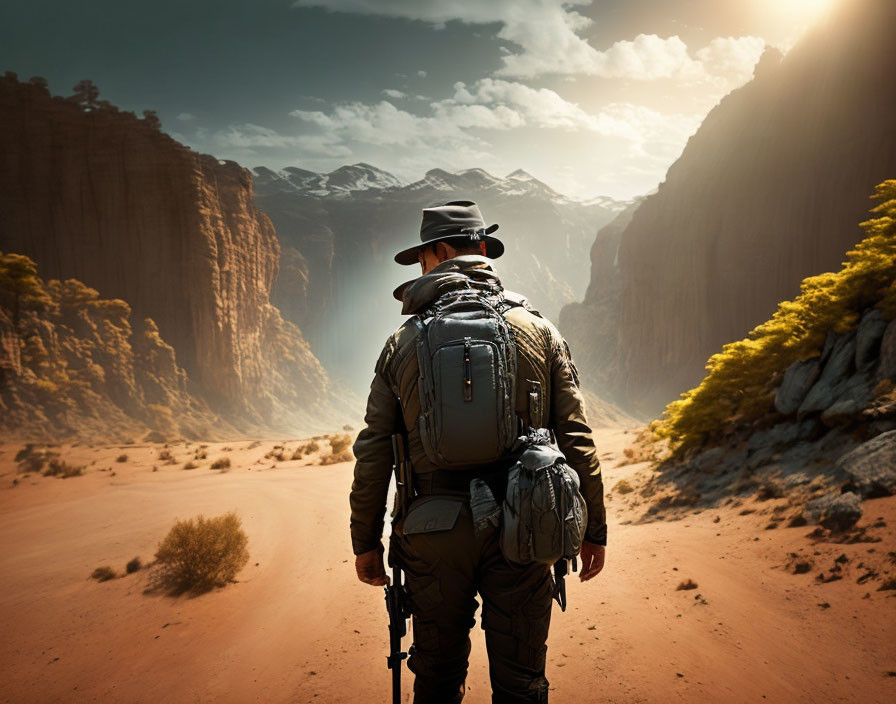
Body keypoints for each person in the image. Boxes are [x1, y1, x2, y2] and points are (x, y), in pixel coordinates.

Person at [350, 200, 607, 703]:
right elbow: (577, 438)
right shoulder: (540, 331)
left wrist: (365, 540)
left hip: (431, 531)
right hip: (526, 527)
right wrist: (593, 527)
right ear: (483, 249)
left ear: (439, 251)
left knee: (438, 677)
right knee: (522, 681)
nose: (423, 267)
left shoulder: (401, 342)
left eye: (423, 258)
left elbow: (374, 451)